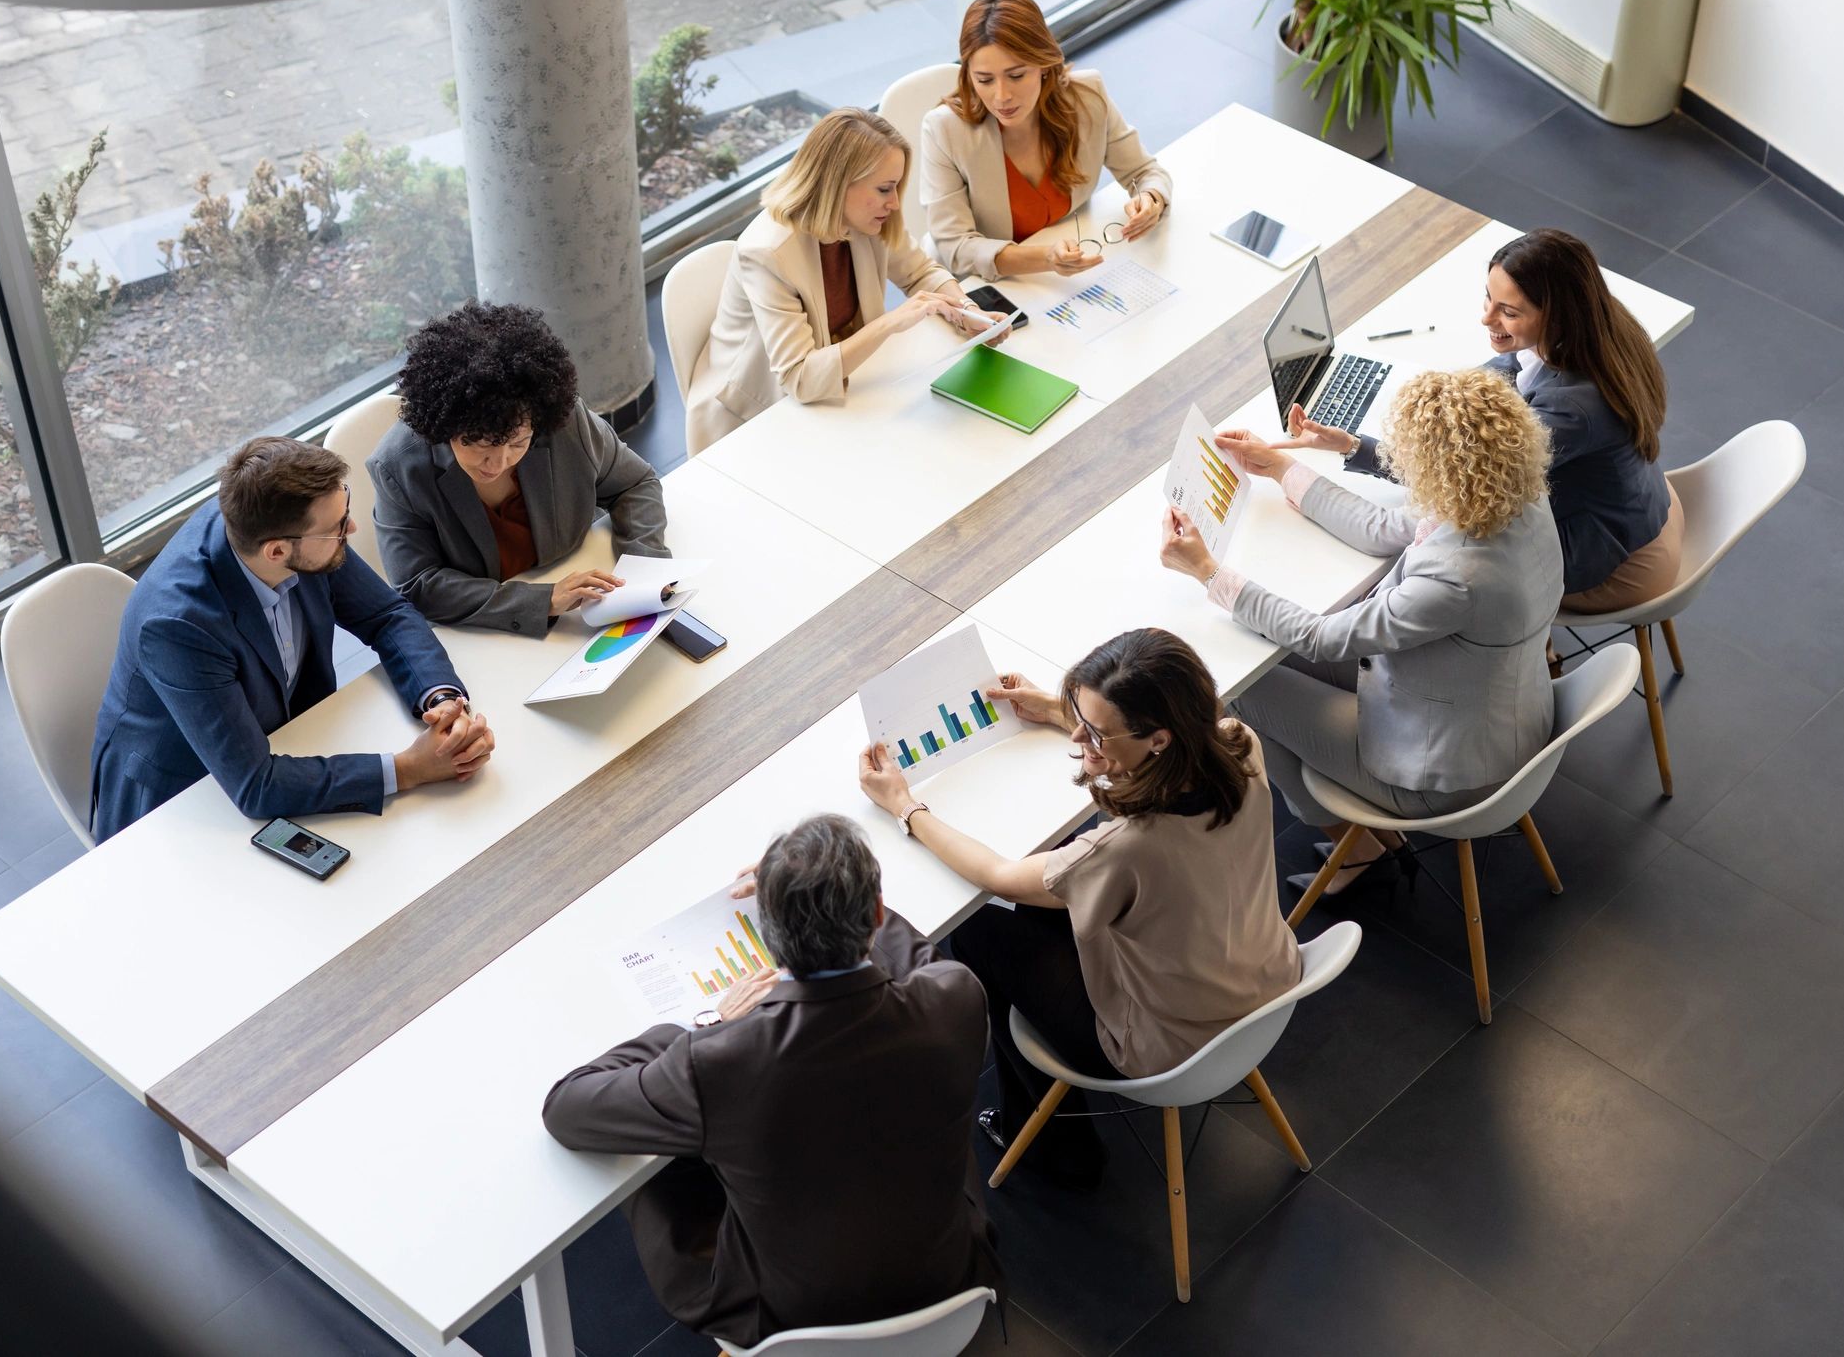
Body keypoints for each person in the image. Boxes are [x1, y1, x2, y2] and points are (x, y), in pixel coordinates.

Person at [856, 628, 1299, 1183]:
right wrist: (1056, 711)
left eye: (1095, 734)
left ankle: (1053, 1148)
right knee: (1056, 899)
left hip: (1163, 1041)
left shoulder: (1124, 849)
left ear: (1158, 738)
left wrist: (906, 807)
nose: (1080, 744)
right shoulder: (1239, 744)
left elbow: (998, 876)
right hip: (1264, 975)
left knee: (976, 934)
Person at [541, 814, 998, 1347]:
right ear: (874, 912)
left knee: (657, 1169)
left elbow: (567, 1108)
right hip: (949, 1279)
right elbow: (924, 963)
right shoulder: (956, 998)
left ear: (769, 941)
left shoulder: (716, 1061)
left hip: (787, 1322)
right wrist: (839, 891)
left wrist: (706, 1024)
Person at [1161, 368, 1561, 895]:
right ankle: (1352, 838)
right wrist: (1282, 469)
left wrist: (1209, 572)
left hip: (1441, 773)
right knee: (1264, 649)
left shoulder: (1458, 578)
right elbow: (1382, 529)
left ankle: (1355, 847)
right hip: (1489, 715)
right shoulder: (1517, 500)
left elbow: (1322, 637)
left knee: (1240, 690)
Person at [89, 436, 492, 843]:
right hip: (182, 804)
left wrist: (440, 702)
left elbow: (387, 616)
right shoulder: (177, 625)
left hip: (286, 740)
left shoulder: (285, 524)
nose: (350, 529)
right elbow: (255, 785)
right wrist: (408, 768)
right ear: (277, 553)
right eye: (337, 527)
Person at [1281, 228, 1678, 615]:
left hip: (1611, 559)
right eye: (1489, 299)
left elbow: (1464, 472)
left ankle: (1519, 651)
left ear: (1557, 317)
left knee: (1438, 562)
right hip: (1636, 506)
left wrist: (1355, 447)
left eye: (1508, 312)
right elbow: (1502, 375)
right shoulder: (1597, 329)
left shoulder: (1571, 407)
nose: (1486, 318)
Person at [685, 107, 994, 455]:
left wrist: (967, 310)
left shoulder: (867, 218)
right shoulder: (767, 252)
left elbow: (920, 272)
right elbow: (799, 378)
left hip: (838, 390)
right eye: (884, 189)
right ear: (837, 184)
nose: (894, 203)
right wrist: (891, 323)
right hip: (753, 419)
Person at [368, 301, 668, 636]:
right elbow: (418, 584)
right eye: (478, 444)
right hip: (487, 632)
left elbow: (636, 483)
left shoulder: (565, 423)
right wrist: (543, 600)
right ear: (443, 428)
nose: (497, 464)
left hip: (587, 600)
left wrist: (645, 571)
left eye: (517, 444)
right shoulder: (397, 467)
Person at [919, 0, 1171, 281]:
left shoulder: (1087, 97)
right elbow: (956, 245)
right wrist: (1045, 258)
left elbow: (1144, 171)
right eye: (984, 80)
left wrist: (1151, 200)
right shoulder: (944, 130)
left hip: (1063, 272)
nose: (1001, 96)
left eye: (1016, 75)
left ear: (1043, 63)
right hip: (977, 283)